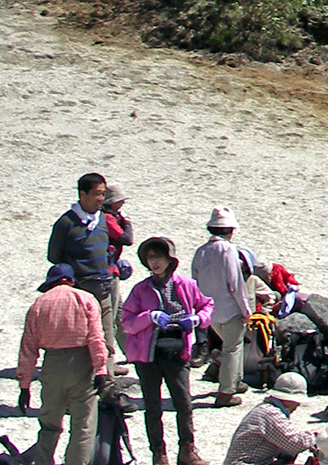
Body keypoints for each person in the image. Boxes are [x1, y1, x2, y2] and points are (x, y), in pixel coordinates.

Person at [121, 236, 215, 465]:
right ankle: (158, 454)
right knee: (153, 407)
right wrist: (150, 317)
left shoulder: (186, 285)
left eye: (158, 257)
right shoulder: (141, 289)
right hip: (148, 356)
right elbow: (127, 322)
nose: (154, 262)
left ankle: (187, 450)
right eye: (150, 258)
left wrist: (196, 319)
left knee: (184, 404)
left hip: (177, 353)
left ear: (169, 259)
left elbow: (207, 305)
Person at [19, 263, 111, 465]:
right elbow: (96, 338)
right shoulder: (86, 299)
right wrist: (101, 370)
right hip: (82, 364)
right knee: (83, 425)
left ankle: (43, 461)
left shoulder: (39, 304)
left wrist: (24, 386)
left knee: (49, 424)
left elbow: (28, 348)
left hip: (52, 365)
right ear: (70, 280)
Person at [47, 173, 118, 358]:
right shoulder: (66, 223)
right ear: (82, 194)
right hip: (79, 290)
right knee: (82, 336)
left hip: (103, 286)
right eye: (96, 194)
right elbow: (54, 256)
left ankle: (108, 372)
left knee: (107, 334)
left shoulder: (103, 219)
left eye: (103, 194)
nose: (101, 199)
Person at [193, 206, 255, 407]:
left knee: (230, 345)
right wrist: (246, 310)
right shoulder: (228, 250)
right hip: (229, 308)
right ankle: (226, 392)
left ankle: (236, 381)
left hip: (210, 310)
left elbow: (195, 281)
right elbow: (235, 284)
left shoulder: (201, 251)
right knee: (232, 348)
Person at [220, 372, 316, 465]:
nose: (298, 404)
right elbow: (294, 443)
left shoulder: (267, 409)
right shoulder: (271, 414)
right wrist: (316, 436)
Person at [102, 183, 135, 367]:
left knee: (119, 315)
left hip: (110, 270)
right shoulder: (108, 218)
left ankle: (131, 352)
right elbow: (126, 239)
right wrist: (127, 223)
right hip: (108, 273)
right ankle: (109, 361)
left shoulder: (110, 216)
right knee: (112, 317)